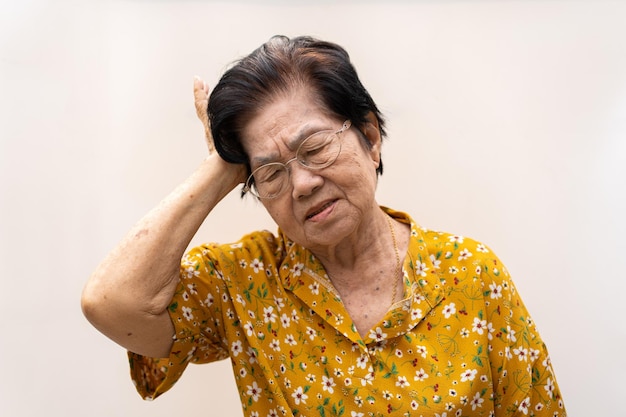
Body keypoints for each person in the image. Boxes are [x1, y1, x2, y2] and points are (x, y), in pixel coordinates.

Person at [81, 35, 566, 416]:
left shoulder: (471, 275)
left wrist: (264, 158)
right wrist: (222, 168)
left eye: (314, 148)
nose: (303, 184)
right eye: (271, 173)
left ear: (370, 136)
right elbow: (112, 304)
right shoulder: (245, 283)